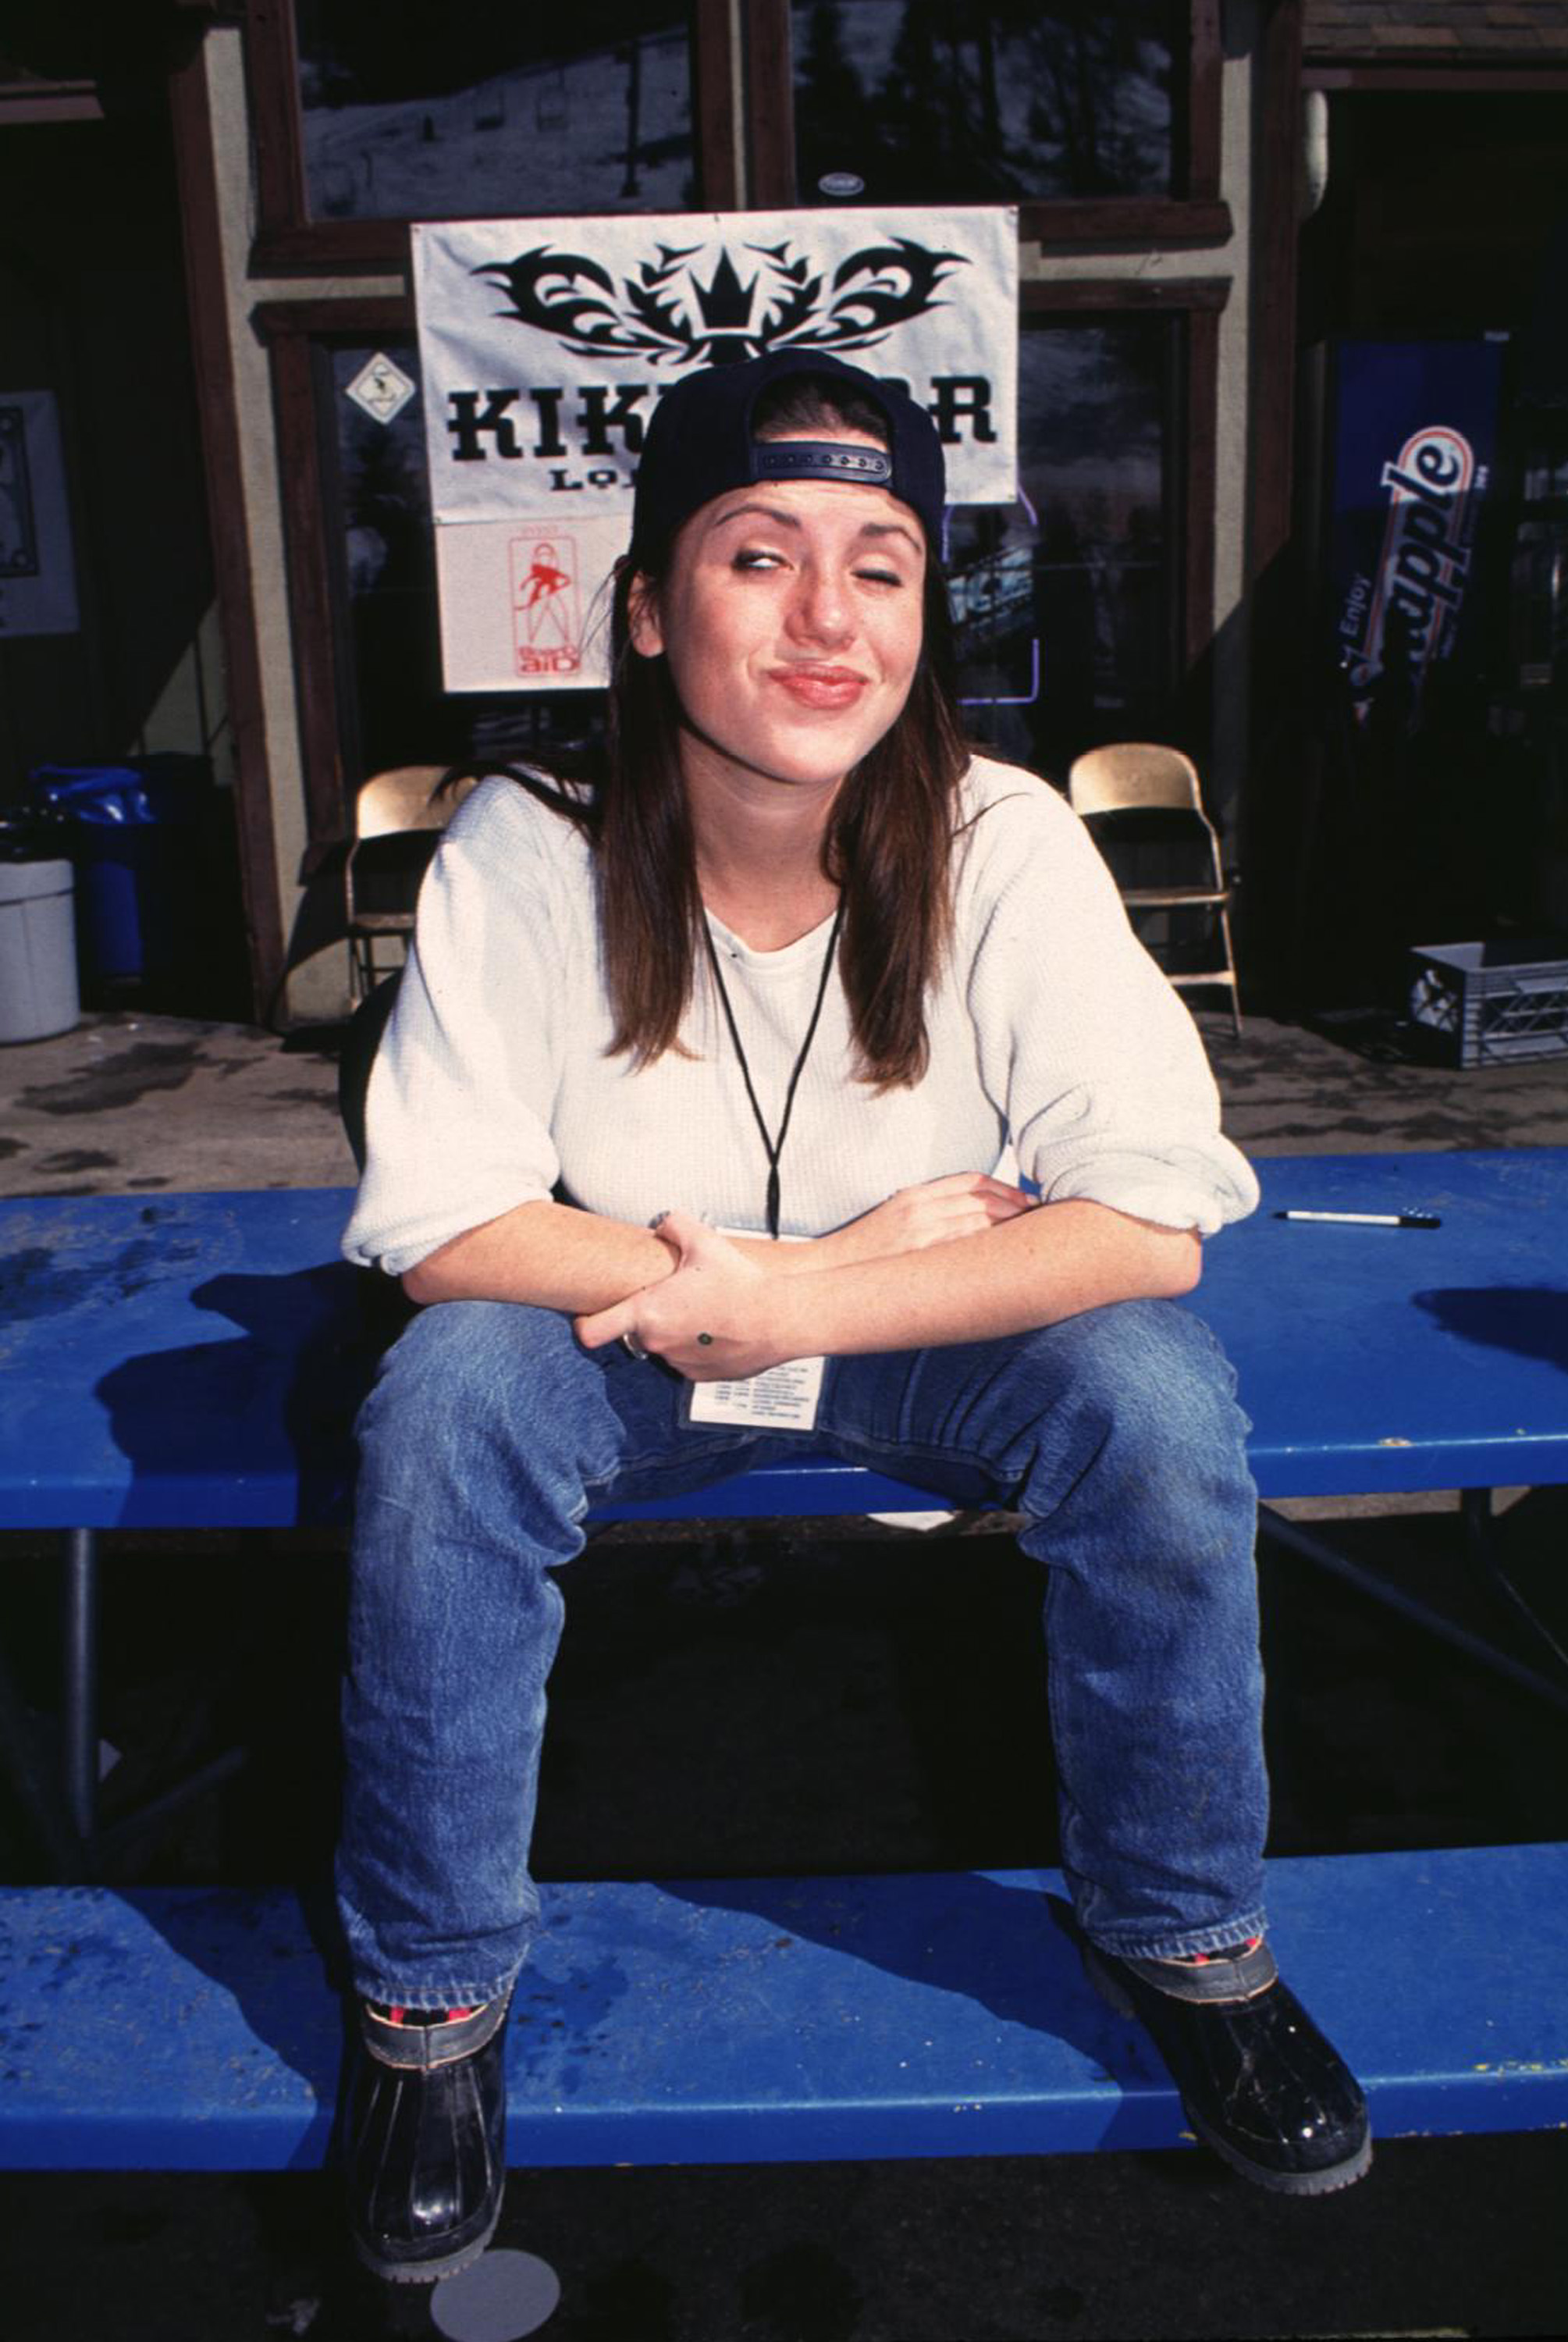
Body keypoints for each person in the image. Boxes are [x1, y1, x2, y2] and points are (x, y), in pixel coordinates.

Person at [337, 348, 1370, 2284]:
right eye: (759, 555)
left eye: (883, 562)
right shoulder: (531, 841)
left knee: (1152, 1404)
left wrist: (810, 1286)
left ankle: (1182, 1927)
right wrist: (724, 1288)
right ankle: (430, 1994)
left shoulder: (999, 836)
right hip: (620, 1351)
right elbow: (444, 1226)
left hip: (908, 1329)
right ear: (648, 609)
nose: (830, 618)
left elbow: (1154, 1217)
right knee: (443, 1406)